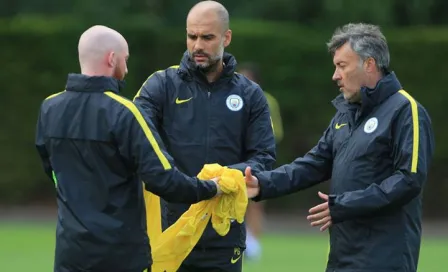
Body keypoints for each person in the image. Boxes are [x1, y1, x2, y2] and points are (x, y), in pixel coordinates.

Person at [244, 23, 435, 272]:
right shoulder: (346, 115)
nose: (335, 75)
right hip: (341, 258)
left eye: (342, 66)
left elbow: (409, 180)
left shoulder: (406, 111)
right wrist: (263, 184)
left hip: (385, 260)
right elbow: (313, 164)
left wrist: (345, 204)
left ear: (369, 64)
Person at [35, 25, 221, 272]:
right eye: (125, 59)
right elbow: (164, 179)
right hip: (119, 254)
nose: (127, 68)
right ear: (112, 59)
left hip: (70, 252)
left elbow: (53, 171)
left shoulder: (49, 108)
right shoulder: (125, 112)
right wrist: (212, 188)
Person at [133, 1, 276, 271]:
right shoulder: (160, 85)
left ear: (226, 37)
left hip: (225, 234)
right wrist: (175, 180)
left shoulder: (250, 94)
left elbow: (264, 156)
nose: (197, 45)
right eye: (192, 36)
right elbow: (138, 139)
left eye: (207, 37)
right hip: (169, 231)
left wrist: (226, 178)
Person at [237, 63, 284, 261]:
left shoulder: (267, 100)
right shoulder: (233, 98)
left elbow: (275, 132)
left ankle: (254, 245)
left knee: (255, 202)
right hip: (235, 160)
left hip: (256, 160)